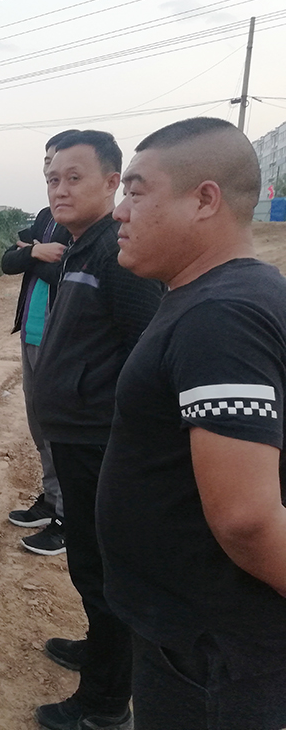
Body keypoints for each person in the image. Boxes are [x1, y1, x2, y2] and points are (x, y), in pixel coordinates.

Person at [100, 117, 286, 729]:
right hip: (191, 636)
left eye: (136, 191)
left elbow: (247, 518)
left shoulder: (221, 316)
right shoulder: (209, 297)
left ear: (205, 200)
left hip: (211, 651)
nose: (120, 212)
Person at [31, 130, 164, 730]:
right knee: (88, 563)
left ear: (113, 182)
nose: (60, 189)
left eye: (73, 178)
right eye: (52, 179)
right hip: (77, 435)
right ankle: (100, 650)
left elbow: (143, 354)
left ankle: (106, 703)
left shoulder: (117, 253)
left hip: (100, 441)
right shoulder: (81, 246)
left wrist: (122, 437)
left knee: (104, 571)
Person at [2, 130, 78, 557]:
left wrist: (34, 253)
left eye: (60, 162)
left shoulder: (86, 223)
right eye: (48, 163)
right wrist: (35, 251)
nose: (51, 170)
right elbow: (8, 261)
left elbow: (68, 273)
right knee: (39, 424)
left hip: (60, 337)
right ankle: (51, 499)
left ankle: (68, 517)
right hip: (32, 334)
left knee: (61, 429)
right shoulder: (46, 215)